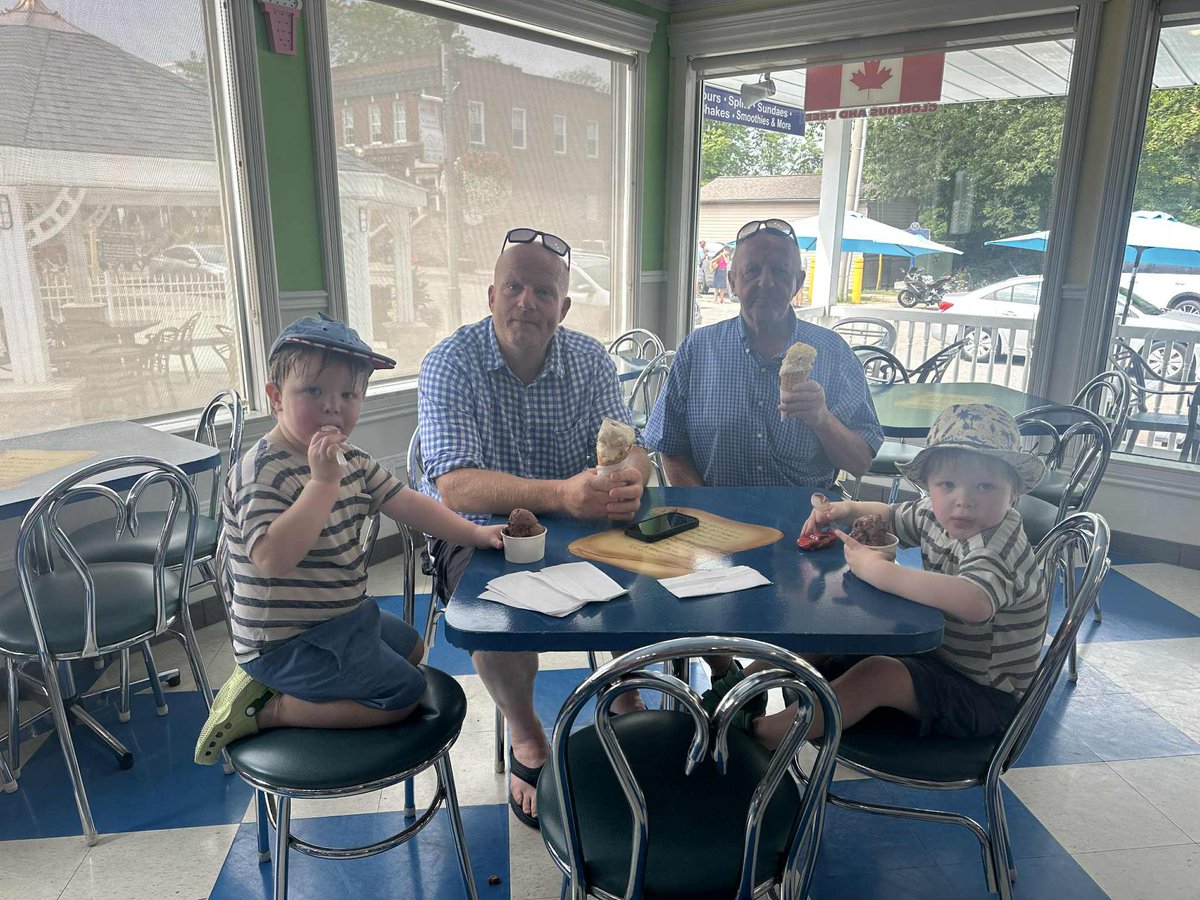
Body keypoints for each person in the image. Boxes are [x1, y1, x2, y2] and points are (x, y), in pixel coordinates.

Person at [417, 227, 651, 828]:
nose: (527, 301)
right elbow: (455, 487)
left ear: (564, 307)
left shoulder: (591, 359)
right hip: (475, 530)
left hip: (578, 518)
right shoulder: (450, 361)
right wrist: (563, 496)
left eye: (543, 292)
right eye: (514, 287)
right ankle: (526, 736)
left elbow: (632, 448)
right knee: (494, 615)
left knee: (642, 568)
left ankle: (623, 691)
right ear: (491, 295)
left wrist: (629, 478)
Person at [193, 314, 504, 765]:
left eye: (348, 394)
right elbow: (273, 559)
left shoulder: (351, 458)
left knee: (415, 648)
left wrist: (474, 532)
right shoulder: (260, 472)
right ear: (276, 398)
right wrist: (322, 484)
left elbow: (410, 504)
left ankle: (294, 691)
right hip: (285, 640)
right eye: (313, 391)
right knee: (404, 695)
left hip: (341, 618)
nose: (333, 406)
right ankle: (266, 709)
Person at [715, 403, 1050, 750]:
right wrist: (848, 510)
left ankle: (758, 735)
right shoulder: (936, 515)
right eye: (947, 484)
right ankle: (739, 685)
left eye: (985, 487)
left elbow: (975, 602)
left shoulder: (999, 543)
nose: (963, 501)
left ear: (1015, 492)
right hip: (937, 655)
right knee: (830, 632)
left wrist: (879, 571)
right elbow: (890, 516)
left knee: (877, 675)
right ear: (930, 487)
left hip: (985, 695)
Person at [644, 218, 883, 489]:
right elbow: (671, 447)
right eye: (751, 271)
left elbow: (859, 463)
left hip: (807, 519)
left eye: (780, 272)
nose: (766, 282)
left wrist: (822, 418)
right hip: (719, 516)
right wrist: (703, 511)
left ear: (798, 282)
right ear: (732, 281)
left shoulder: (834, 352)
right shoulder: (696, 350)